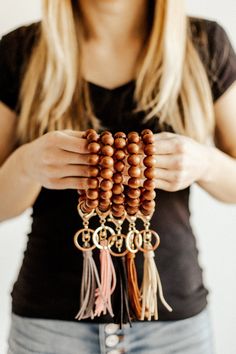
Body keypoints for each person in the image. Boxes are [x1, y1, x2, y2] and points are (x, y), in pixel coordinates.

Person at [1, 0, 236, 353]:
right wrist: (25, 164)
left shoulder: (203, 42)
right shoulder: (21, 50)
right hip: (49, 326)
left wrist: (205, 163)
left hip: (174, 326)